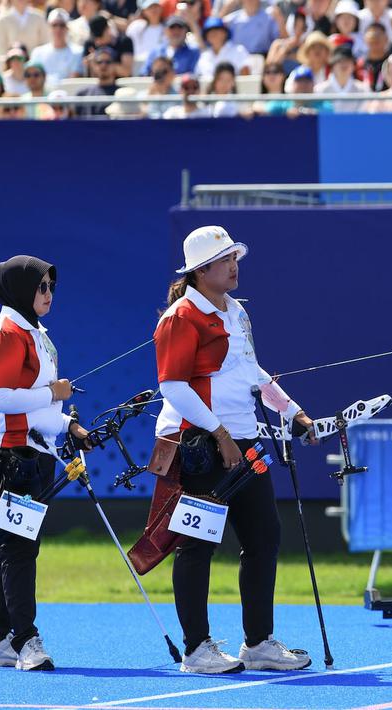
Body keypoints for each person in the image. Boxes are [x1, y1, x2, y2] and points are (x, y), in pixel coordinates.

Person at [150, 226, 317, 674]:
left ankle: (258, 643)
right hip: (200, 443)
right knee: (197, 544)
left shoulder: (237, 311)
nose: (233, 265)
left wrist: (293, 411)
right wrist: (219, 433)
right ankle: (196, 649)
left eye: (234, 257)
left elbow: (251, 371)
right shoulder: (181, 316)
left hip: (245, 441)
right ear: (201, 270)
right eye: (224, 259)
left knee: (264, 538)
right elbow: (173, 386)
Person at [0, 255, 92, 672]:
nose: (48, 294)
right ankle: (24, 641)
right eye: (41, 287)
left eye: (51, 287)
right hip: (10, 456)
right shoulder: (5, 332)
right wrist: (55, 394)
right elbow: (3, 398)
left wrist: (67, 426)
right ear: (21, 291)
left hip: (32, 453)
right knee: (19, 550)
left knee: (15, 548)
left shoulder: (33, 331)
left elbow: (35, 400)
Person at [32, 10, 84, 88]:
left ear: (67, 28)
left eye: (62, 25)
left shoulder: (78, 52)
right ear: (49, 27)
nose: (58, 29)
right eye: (54, 25)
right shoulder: (37, 52)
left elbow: (73, 79)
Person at [314, 43, 368, 112]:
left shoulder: (363, 90)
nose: (344, 64)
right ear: (332, 66)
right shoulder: (319, 90)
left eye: (347, 61)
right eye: (339, 61)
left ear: (353, 66)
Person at [75, 46, 119, 115]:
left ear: (114, 65)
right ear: (94, 65)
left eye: (108, 62)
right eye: (99, 62)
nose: (103, 65)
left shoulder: (123, 94)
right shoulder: (82, 94)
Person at [127, 0, 167, 76]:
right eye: (150, 7)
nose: (154, 10)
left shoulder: (168, 28)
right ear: (144, 11)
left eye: (156, 6)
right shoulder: (135, 27)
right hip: (137, 70)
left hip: (160, 71)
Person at [359, 23, 391, 91]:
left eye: (378, 34)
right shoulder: (359, 65)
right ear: (365, 39)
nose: (374, 37)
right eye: (371, 34)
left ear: (386, 38)